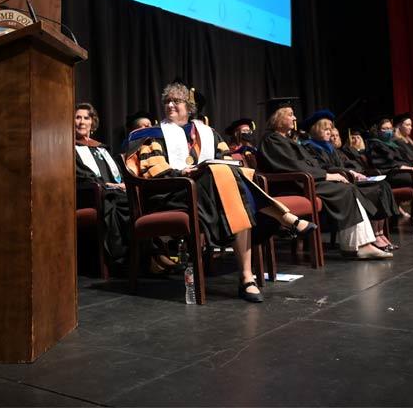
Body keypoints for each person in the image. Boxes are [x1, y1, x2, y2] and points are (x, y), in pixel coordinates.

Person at [125, 82, 317, 302]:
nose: (170, 105)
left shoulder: (208, 133)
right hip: (174, 192)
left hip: (211, 191)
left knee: (228, 182)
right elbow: (155, 170)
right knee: (227, 183)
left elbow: (226, 161)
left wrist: (206, 170)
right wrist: (184, 172)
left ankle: (248, 275)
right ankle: (280, 221)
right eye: (167, 101)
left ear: (189, 107)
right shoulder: (154, 134)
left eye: (176, 101)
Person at [257, 101, 392, 260]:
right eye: (290, 114)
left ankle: (361, 244)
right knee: (345, 190)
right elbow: (291, 167)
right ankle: (358, 246)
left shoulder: (286, 139)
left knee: (349, 187)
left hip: (307, 181)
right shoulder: (272, 140)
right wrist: (327, 176)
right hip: (294, 184)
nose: (294, 118)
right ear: (278, 118)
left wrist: (329, 175)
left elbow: (308, 164)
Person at [75, 103, 131, 268]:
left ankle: (146, 255)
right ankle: (121, 259)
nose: (82, 122)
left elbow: (118, 174)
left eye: (86, 118)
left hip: (112, 191)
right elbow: (81, 176)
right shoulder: (70, 149)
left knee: (134, 201)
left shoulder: (101, 148)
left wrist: (121, 185)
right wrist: (107, 186)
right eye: (78, 117)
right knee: (120, 204)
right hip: (92, 196)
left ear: (92, 122)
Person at [329, 125, 400, 250]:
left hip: (357, 179)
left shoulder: (341, 152)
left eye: (337, 135)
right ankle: (374, 235)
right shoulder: (332, 152)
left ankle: (380, 232)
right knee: (376, 191)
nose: (334, 138)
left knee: (384, 185)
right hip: (348, 183)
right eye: (332, 136)